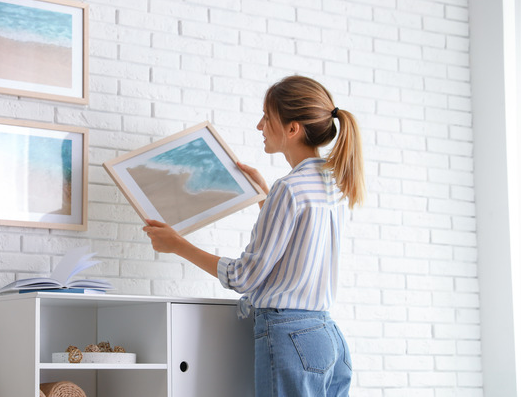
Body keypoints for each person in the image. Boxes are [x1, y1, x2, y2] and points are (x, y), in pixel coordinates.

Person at [143, 75, 365, 397]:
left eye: (267, 116)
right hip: (327, 337)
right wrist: (265, 197)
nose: (259, 125)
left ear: (293, 129)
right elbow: (298, 245)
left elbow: (244, 277)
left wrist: (177, 245)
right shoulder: (334, 185)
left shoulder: (288, 190)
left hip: (289, 336)